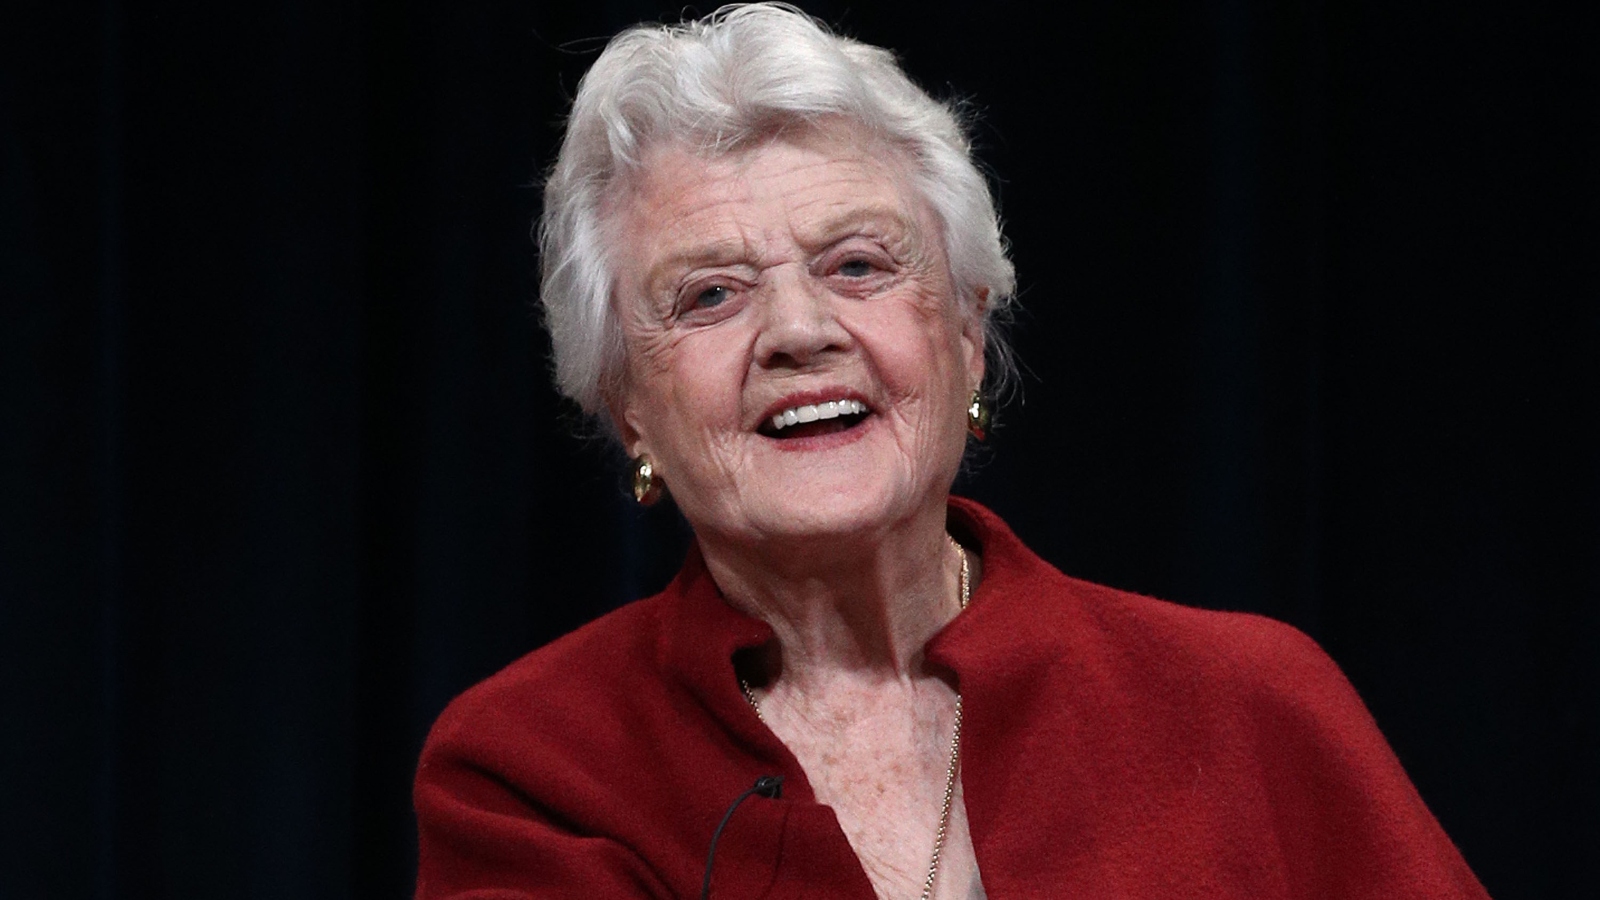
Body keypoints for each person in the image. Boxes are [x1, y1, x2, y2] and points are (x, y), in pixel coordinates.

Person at [413, 5, 1489, 897]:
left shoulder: (1251, 706)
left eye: (858, 266)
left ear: (968, 335)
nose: (799, 331)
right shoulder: (530, 767)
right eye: (710, 295)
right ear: (628, 407)